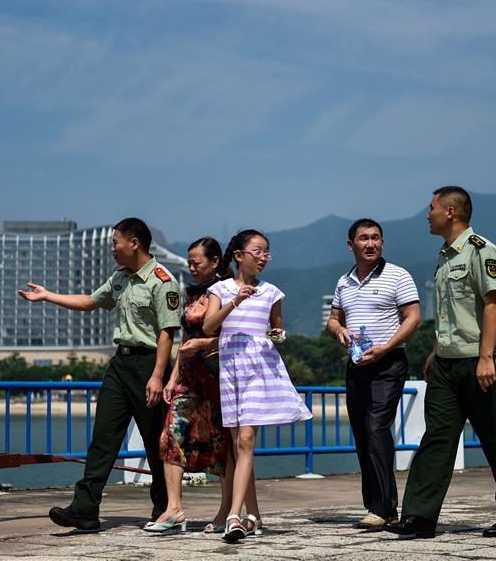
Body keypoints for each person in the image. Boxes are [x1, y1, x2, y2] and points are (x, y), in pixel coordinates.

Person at [385, 187, 496, 539]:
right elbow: (452, 313)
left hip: (481, 362)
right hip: (447, 365)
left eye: (432, 207)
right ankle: (420, 517)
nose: (427, 214)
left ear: (450, 212)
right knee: (436, 438)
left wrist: (486, 358)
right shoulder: (444, 256)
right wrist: (436, 351)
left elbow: (493, 304)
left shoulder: (482, 250)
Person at [18, 218, 180, 532]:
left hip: (150, 365)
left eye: (116, 242)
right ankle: (85, 509)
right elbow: (91, 302)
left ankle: (164, 508)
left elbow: (167, 333)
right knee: (103, 437)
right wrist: (49, 296)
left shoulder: (163, 280)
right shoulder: (121, 278)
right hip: (120, 365)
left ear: (134, 243)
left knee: (154, 441)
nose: (112, 249)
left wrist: (158, 376)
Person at [203, 229, 312, 543]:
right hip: (231, 369)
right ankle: (254, 515)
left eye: (267, 252)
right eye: (258, 251)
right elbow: (210, 326)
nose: (264, 257)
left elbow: (277, 328)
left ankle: (234, 516)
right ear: (239, 256)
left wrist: (277, 335)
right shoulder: (220, 289)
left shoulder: (271, 292)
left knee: (246, 440)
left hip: (259, 369)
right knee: (240, 447)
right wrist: (234, 302)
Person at [147, 237, 260, 534]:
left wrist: (205, 343)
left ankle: (226, 510)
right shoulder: (192, 293)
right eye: (189, 263)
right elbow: (185, 339)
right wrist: (172, 377)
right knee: (171, 436)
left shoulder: (226, 292)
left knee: (224, 448)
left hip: (222, 380)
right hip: (189, 379)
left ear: (214, 262)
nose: (192, 267)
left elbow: (243, 336)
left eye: (197, 263)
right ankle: (174, 509)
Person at [326, 218, 421, 529]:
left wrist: (385, 346)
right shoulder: (344, 281)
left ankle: (382, 508)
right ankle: (380, 507)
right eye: (364, 238)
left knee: (375, 428)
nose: (371, 244)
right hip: (356, 366)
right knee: (362, 434)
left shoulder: (398, 276)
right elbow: (333, 320)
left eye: (376, 238)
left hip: (388, 363)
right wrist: (339, 331)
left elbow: (413, 318)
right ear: (350, 244)